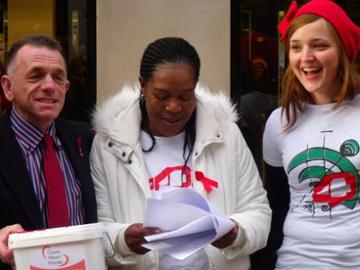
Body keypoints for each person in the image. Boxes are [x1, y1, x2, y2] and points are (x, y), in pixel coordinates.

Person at [91, 37, 271, 269]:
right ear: (142, 86)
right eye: (162, 96)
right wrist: (124, 240)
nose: (174, 107)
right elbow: (97, 229)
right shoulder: (109, 144)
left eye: (185, 96)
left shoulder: (225, 134)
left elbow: (259, 212)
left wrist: (235, 233)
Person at [262, 0, 360, 269]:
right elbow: (276, 202)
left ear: (343, 51)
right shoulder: (278, 122)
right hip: (295, 261)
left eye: (319, 45)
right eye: (296, 47)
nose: (305, 57)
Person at [0, 34, 97, 269]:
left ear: (66, 88)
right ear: (8, 87)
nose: (49, 86)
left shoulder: (87, 139)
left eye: (58, 77)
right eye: (35, 76)